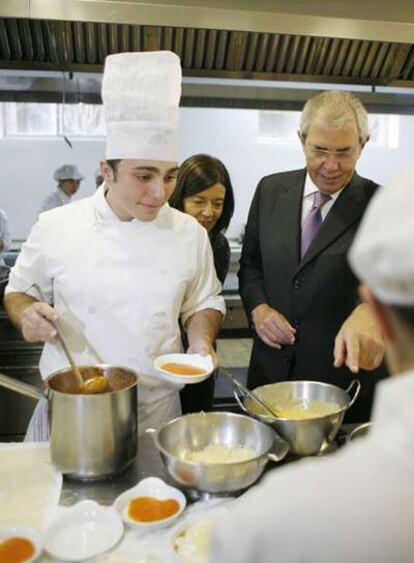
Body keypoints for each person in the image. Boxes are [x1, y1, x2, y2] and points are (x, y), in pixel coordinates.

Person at [4, 51, 225, 440]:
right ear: (107, 170)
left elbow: (204, 301)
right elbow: (19, 292)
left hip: (156, 414)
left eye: (170, 176)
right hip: (74, 408)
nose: (160, 193)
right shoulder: (57, 225)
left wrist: (201, 339)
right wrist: (27, 316)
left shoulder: (189, 232)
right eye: (144, 176)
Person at [239, 90, 387, 422]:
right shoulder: (270, 191)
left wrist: (373, 309)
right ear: (301, 139)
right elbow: (250, 268)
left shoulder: (382, 205)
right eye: (319, 150)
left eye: (344, 152)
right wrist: (258, 308)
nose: (331, 166)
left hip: (342, 386)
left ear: (362, 144)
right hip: (271, 378)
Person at [169, 153, 235, 412]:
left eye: (217, 203)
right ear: (178, 198)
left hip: (200, 353)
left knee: (197, 418)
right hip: (163, 353)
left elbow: (206, 301)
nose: (209, 212)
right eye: (198, 201)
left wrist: (201, 343)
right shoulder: (162, 237)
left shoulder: (218, 245)